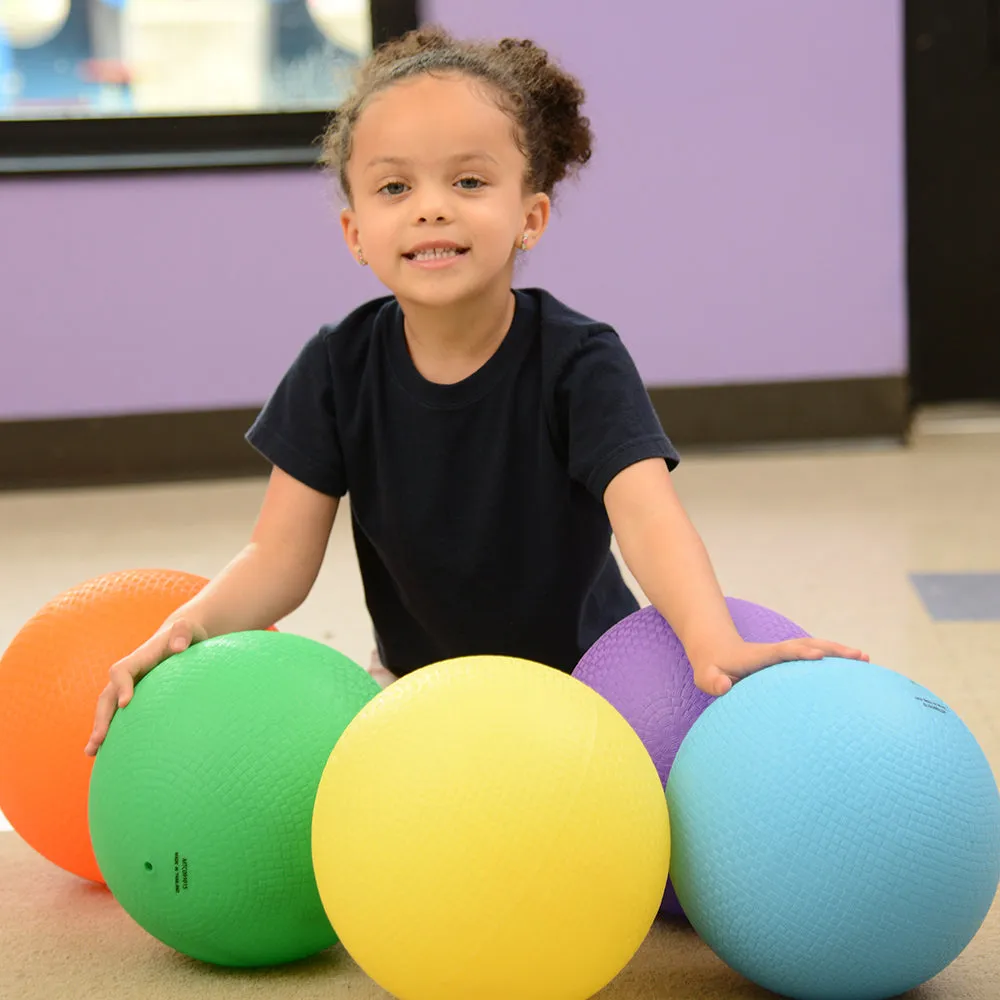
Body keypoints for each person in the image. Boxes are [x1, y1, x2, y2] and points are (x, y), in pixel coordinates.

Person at [85, 26, 866, 757]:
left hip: (589, 689)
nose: (431, 206)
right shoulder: (336, 367)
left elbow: (648, 519)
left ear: (530, 217)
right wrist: (181, 631)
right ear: (356, 233)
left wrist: (709, 635)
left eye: (467, 180)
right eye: (394, 187)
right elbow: (278, 556)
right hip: (424, 692)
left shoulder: (580, 361)